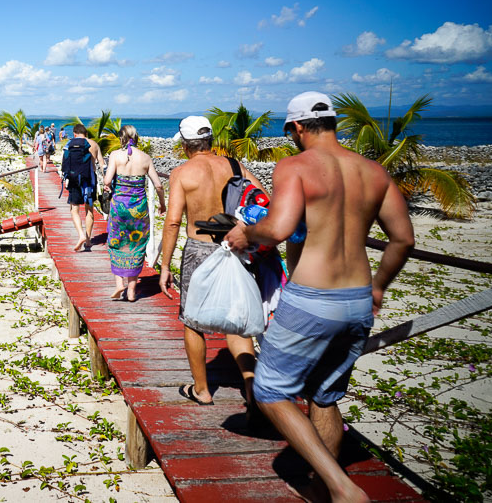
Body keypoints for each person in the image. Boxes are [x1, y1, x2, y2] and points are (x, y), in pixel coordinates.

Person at [224, 92, 414, 503]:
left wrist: (245, 232)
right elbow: (403, 239)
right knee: (324, 394)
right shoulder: (373, 171)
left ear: (296, 127)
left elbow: (278, 228)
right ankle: (321, 488)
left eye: (288, 132)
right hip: (358, 299)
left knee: (270, 391)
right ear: (333, 123)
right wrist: (379, 287)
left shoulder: (295, 166)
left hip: (312, 298)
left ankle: (343, 488)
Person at [159, 115, 265, 411]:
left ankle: (202, 390)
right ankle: (251, 388)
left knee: (193, 320)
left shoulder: (182, 173)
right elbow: (263, 201)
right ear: (210, 140)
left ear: (185, 145)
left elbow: (173, 222)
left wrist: (164, 266)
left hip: (199, 250)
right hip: (235, 247)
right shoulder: (234, 166)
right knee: (237, 320)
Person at [103, 125, 165, 301]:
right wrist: (162, 204)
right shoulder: (145, 158)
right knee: (137, 244)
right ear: (136, 137)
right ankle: (131, 290)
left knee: (116, 241)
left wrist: (108, 184)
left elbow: (107, 180)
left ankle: (119, 284)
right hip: (139, 209)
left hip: (119, 207)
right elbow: (158, 185)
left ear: (121, 138)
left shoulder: (115, 155)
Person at [63, 124, 100, 252]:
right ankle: (88, 240)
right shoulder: (93, 144)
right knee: (89, 210)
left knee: (74, 210)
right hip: (90, 179)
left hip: (74, 179)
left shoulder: (70, 144)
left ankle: (81, 235)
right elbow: (102, 164)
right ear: (86, 133)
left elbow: (65, 162)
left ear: (75, 134)